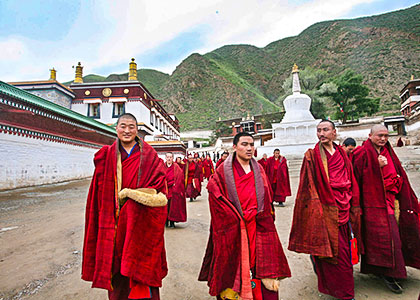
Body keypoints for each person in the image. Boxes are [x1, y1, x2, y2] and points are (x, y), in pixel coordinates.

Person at [82, 113, 168, 300]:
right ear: (116, 128)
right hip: (113, 225)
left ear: (137, 130)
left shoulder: (150, 157)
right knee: (118, 272)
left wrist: (132, 198)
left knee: (142, 271)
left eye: (131, 126)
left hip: (141, 226)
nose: (127, 130)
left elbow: (160, 190)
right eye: (123, 126)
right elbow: (96, 196)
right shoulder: (106, 157)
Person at [199, 132, 291, 300]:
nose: (249, 148)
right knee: (234, 265)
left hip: (258, 226)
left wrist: (263, 217)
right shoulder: (222, 171)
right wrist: (235, 218)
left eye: (251, 144)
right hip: (234, 228)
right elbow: (215, 196)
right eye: (244, 144)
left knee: (260, 266)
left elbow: (267, 199)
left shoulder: (259, 169)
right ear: (235, 147)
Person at [288, 119, 362, 300]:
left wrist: (352, 202)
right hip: (325, 210)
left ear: (334, 133)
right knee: (334, 254)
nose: (321, 133)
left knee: (343, 252)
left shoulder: (342, 153)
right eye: (319, 130)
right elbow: (308, 187)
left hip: (344, 206)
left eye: (325, 130)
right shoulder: (312, 156)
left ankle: (341, 288)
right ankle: (345, 294)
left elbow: (350, 177)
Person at [352, 124, 420, 294]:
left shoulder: (389, 151)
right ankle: (390, 273)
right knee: (387, 237)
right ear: (370, 136)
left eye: (385, 136)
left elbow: (399, 173)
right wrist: (376, 166)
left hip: (392, 199)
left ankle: (388, 270)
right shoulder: (362, 153)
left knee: (401, 232)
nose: (382, 139)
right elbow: (356, 176)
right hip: (373, 202)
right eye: (379, 135)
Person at [165, 152, 187, 228]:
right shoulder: (162, 167)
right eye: (167, 157)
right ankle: (165, 221)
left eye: (170, 157)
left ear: (172, 158)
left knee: (172, 207)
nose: (169, 159)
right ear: (165, 158)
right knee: (165, 206)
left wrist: (175, 186)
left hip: (173, 189)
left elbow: (180, 177)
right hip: (165, 189)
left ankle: (172, 221)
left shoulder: (176, 167)